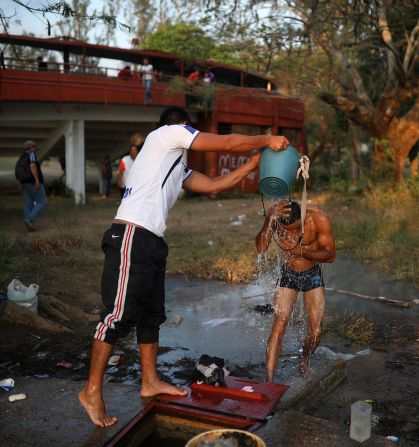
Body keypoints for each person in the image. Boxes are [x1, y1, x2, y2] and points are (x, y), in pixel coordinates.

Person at [78, 106, 290, 428]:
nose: (192, 137)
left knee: (151, 316)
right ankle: (91, 390)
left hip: (151, 241)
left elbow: (217, 185)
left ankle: (149, 380)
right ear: (182, 128)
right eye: (190, 131)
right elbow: (228, 142)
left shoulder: (175, 168)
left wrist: (254, 163)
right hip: (131, 235)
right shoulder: (165, 134)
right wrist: (266, 138)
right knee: (117, 316)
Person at [255, 200, 336, 382]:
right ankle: (269, 380)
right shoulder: (276, 215)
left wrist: (301, 251)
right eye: (286, 230)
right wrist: (269, 220)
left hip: (312, 275)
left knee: (315, 331)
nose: (290, 233)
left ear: (302, 217)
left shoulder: (319, 218)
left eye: (295, 229)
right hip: (288, 274)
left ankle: (304, 361)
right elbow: (260, 248)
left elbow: (330, 255)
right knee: (279, 324)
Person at [18, 140, 47, 231]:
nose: (35, 148)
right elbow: (32, 166)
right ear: (30, 148)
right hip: (32, 182)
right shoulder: (31, 155)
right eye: (34, 147)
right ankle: (29, 219)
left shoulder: (22, 156)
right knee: (42, 201)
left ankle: (29, 226)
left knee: (28, 204)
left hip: (24, 183)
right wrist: (37, 180)